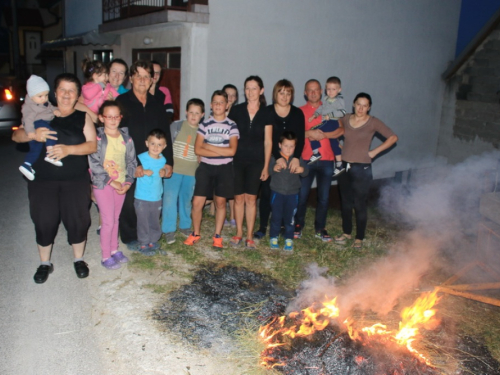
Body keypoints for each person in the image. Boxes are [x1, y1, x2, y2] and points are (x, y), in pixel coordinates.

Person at [12, 73, 97, 284]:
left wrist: (69, 149)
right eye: (62, 89)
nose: (67, 94)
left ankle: (79, 259)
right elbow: (16, 135)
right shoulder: (40, 111)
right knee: (44, 220)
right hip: (42, 180)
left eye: (72, 90)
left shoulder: (82, 117)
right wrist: (33, 135)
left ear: (77, 95)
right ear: (54, 92)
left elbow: (92, 145)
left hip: (75, 180)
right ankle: (44, 263)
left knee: (78, 221)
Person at [115, 60, 174, 249]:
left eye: (146, 76)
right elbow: (119, 136)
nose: (142, 80)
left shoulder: (158, 103)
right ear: (131, 78)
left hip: (155, 161)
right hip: (129, 160)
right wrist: (133, 164)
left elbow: (166, 134)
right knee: (129, 201)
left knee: (151, 199)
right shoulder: (122, 102)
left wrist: (169, 162)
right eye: (138, 75)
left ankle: (150, 235)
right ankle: (130, 237)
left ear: (151, 80)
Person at [335, 93, 398, 248]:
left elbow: (392, 137)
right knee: (346, 202)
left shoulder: (372, 122)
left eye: (364, 105)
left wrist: (373, 153)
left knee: (359, 203)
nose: (361, 108)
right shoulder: (345, 118)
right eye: (358, 104)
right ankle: (346, 232)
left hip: (362, 168)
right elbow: (333, 130)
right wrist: (339, 146)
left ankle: (359, 237)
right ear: (353, 104)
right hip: (344, 166)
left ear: (369, 107)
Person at [184, 90, 239, 249]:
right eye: (215, 102)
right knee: (197, 203)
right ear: (211, 105)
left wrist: (208, 145)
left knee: (221, 203)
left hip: (224, 168)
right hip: (206, 167)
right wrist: (219, 149)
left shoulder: (232, 125)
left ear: (227, 105)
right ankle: (195, 233)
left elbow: (232, 151)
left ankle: (217, 235)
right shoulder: (205, 124)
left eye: (221, 102)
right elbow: (197, 150)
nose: (218, 105)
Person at [254, 79, 305, 239]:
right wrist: (277, 157)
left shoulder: (297, 113)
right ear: (275, 94)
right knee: (267, 191)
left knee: (287, 191)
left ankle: (284, 224)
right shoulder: (267, 111)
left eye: (288, 93)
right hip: (271, 156)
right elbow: (266, 138)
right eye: (281, 92)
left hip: (292, 157)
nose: (284, 96)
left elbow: (301, 138)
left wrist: (296, 158)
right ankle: (262, 226)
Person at [89, 101, 137, 269]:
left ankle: (114, 249)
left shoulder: (127, 138)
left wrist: (128, 182)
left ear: (120, 118)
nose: (113, 120)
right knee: (108, 220)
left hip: (121, 183)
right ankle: (105, 256)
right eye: (109, 117)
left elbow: (131, 162)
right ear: (101, 118)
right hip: (103, 184)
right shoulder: (98, 138)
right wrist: (111, 181)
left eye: (116, 116)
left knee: (116, 218)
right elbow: (93, 163)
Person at [294, 79, 342, 242]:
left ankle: (320, 228)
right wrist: (308, 133)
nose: (313, 93)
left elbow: (341, 129)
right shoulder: (299, 111)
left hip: (327, 159)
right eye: (310, 90)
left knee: (324, 197)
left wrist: (324, 135)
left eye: (316, 90)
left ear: (321, 91)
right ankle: (298, 225)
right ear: (305, 93)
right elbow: (293, 133)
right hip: (307, 159)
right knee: (302, 195)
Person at [228, 76, 271, 248]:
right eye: (247, 88)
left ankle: (249, 235)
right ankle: (238, 233)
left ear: (261, 90)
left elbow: (268, 141)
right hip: (237, 160)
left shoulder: (267, 112)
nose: (250, 92)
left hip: (257, 162)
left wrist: (266, 166)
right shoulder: (237, 110)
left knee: (251, 199)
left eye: (254, 88)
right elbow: (229, 136)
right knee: (238, 199)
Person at [162, 98, 205, 244]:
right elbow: (167, 145)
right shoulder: (176, 126)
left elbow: (203, 150)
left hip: (191, 172)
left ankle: (185, 225)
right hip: (174, 170)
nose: (193, 116)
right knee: (169, 199)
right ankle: (168, 229)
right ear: (186, 112)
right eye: (191, 112)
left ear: (202, 115)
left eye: (197, 113)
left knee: (186, 199)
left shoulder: (202, 131)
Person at [269, 131, 308, 252]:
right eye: (286, 145)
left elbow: (306, 172)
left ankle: (289, 238)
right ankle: (273, 237)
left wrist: (301, 169)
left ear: (295, 147)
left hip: (292, 193)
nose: (288, 149)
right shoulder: (274, 158)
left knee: (290, 218)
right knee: (276, 216)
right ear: (280, 145)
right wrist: (274, 168)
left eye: (292, 146)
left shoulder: (297, 159)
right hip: (277, 192)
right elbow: (269, 171)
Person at [19, 75, 61, 180]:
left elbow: (50, 106)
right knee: (50, 132)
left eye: (46, 95)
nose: (44, 99)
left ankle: (27, 164)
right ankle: (51, 154)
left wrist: (55, 110)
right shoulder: (29, 107)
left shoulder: (43, 102)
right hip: (37, 123)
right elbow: (27, 120)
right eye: (40, 96)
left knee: (36, 148)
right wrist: (30, 132)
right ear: (31, 95)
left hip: (42, 122)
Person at [135, 129, 168, 254]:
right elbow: (132, 172)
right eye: (152, 143)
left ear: (164, 146)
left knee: (154, 219)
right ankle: (143, 243)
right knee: (143, 221)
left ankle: (153, 240)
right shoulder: (141, 158)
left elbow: (165, 170)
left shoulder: (163, 160)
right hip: (141, 197)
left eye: (159, 144)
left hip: (156, 197)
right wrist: (142, 171)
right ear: (146, 143)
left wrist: (164, 172)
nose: (155, 147)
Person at [308, 76, 346, 177]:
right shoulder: (326, 100)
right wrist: (315, 115)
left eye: (334, 89)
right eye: (328, 89)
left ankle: (316, 153)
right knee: (334, 142)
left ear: (339, 90)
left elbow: (342, 112)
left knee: (313, 131)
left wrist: (331, 115)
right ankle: (339, 164)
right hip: (328, 121)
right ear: (325, 90)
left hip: (331, 122)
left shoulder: (339, 100)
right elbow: (321, 108)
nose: (331, 91)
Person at [222, 83, 239, 227]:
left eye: (233, 95)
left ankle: (233, 217)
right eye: (227, 94)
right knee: (221, 186)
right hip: (219, 155)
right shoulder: (217, 112)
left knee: (233, 186)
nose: (230, 97)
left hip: (233, 154)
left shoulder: (238, 113)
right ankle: (221, 215)